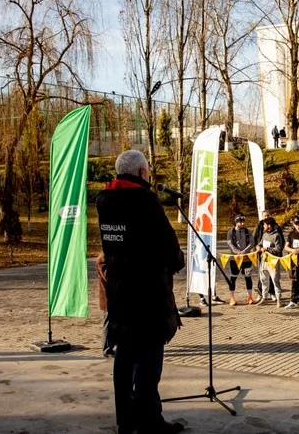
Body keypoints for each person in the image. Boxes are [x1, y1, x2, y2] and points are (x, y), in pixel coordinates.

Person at [96, 150, 185, 434]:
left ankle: (126, 421)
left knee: (124, 359)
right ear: (142, 173)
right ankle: (150, 422)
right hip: (147, 297)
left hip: (119, 294)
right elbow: (169, 246)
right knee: (148, 362)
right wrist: (176, 262)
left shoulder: (103, 200)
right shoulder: (145, 200)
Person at [226, 214, 255, 305]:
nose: (242, 223)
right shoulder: (231, 232)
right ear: (236, 222)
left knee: (248, 277)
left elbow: (252, 242)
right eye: (240, 222)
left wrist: (245, 251)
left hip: (246, 258)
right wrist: (237, 252)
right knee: (233, 278)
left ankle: (250, 296)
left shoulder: (248, 231)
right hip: (235, 259)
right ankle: (232, 298)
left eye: (243, 221)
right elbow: (230, 243)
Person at [256, 217, 285, 307]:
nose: (263, 226)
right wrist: (258, 246)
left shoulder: (277, 235)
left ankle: (279, 299)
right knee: (264, 280)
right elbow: (261, 243)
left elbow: (278, 249)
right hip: (264, 260)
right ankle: (264, 297)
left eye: (264, 224)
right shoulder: (264, 234)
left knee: (275, 280)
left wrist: (267, 249)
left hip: (273, 262)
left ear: (269, 225)